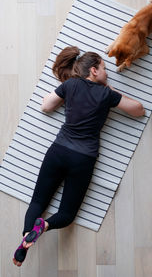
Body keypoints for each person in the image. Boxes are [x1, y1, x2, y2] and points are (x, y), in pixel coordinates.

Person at [13, 46, 145, 266]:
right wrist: (111, 89)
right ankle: (44, 226)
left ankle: (25, 240)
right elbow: (138, 110)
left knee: (37, 201)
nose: (107, 72)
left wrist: (65, 92)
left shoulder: (70, 85)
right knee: (65, 214)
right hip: (82, 159)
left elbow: (45, 106)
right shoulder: (106, 94)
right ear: (93, 71)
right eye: (104, 68)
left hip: (58, 151)